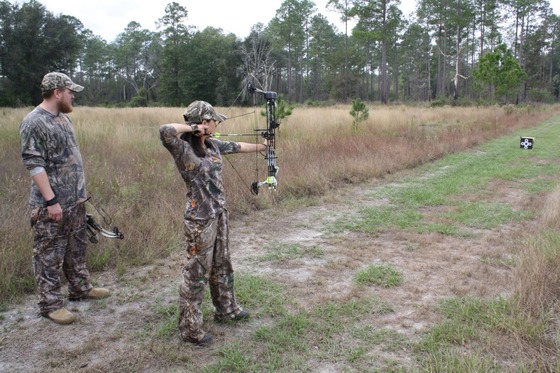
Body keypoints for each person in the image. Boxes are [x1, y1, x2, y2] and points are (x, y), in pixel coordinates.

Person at [159, 100, 266, 346]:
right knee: (196, 272)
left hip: (219, 214)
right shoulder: (182, 148)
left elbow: (238, 146)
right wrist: (193, 129)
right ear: (203, 122)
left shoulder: (213, 145)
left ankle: (227, 309)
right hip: (199, 219)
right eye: (214, 120)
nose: (217, 124)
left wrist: (263, 145)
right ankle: (190, 328)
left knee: (222, 263)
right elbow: (164, 130)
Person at [19, 72, 111, 325]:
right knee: (49, 254)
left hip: (75, 201)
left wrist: (79, 197)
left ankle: (80, 287)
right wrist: (51, 201)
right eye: (70, 91)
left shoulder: (63, 119)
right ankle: (50, 304)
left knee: (76, 248)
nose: (73, 95)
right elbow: (33, 163)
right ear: (57, 92)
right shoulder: (33, 122)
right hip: (51, 205)